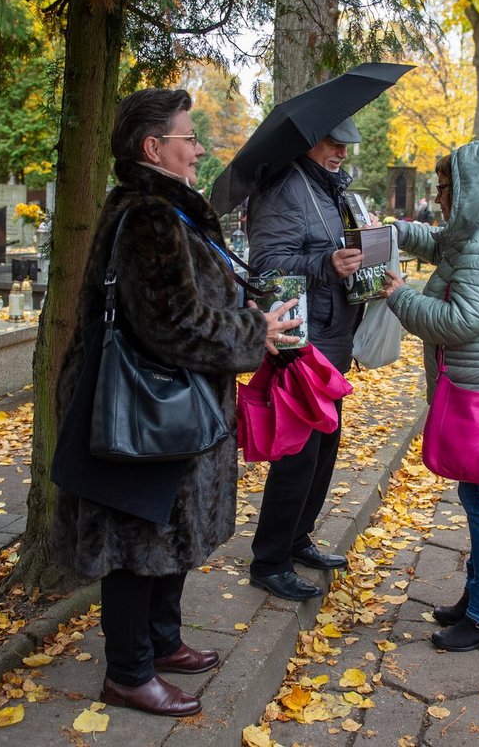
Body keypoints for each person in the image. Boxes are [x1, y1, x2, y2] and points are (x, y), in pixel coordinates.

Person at [52, 88, 299, 717]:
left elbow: (188, 303)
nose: (199, 149)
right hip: (145, 408)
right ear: (153, 147)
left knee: (169, 531)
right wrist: (253, 333)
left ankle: (162, 642)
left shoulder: (170, 209)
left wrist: (242, 308)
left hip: (173, 403)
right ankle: (128, 673)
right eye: (189, 138)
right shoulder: (150, 216)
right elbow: (171, 323)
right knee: (138, 539)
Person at [380, 141, 479, 652]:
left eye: (448, 187)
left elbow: (458, 321)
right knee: (478, 499)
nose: (440, 197)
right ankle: (478, 598)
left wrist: (399, 297)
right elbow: (444, 247)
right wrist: (394, 232)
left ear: (475, 188)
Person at [246, 117, 365, 601]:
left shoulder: (329, 187)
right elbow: (265, 266)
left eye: (345, 145)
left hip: (333, 334)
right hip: (303, 340)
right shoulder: (283, 188)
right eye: (333, 142)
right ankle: (269, 560)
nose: (341, 152)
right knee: (299, 454)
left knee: (325, 447)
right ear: (308, 141)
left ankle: (297, 538)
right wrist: (326, 264)